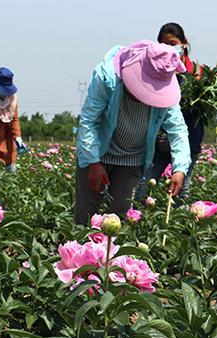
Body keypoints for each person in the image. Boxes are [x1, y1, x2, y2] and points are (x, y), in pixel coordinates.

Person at [74, 40, 192, 225]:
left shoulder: (165, 90)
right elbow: (89, 121)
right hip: (97, 153)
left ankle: (111, 254)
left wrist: (179, 169)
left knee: (119, 221)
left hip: (132, 161)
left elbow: (177, 130)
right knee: (85, 218)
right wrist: (93, 162)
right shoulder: (107, 78)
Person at [137, 22, 205, 202]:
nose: (168, 49)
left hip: (189, 140)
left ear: (183, 43)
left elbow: (205, 111)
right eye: (163, 45)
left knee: (182, 192)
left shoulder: (198, 72)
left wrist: (201, 85)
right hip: (160, 141)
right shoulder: (159, 72)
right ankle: (137, 218)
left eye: (172, 44)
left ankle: (182, 227)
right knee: (144, 186)